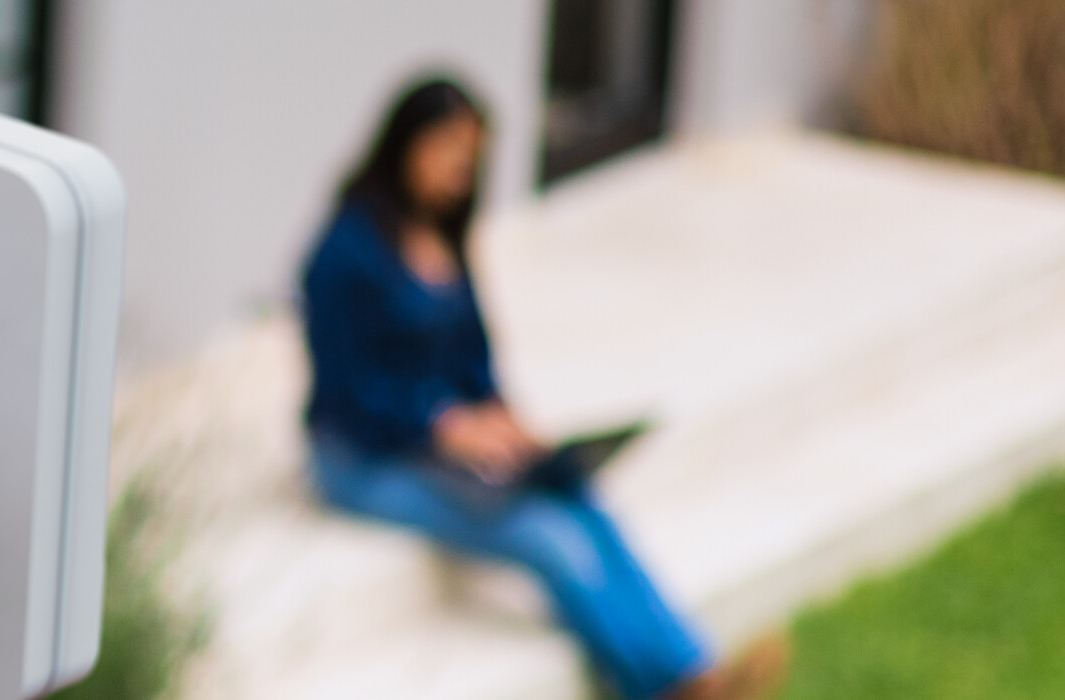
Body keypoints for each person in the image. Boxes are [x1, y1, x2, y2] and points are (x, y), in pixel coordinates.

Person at [297, 77, 790, 700]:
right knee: (546, 539)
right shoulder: (345, 252)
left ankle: (698, 670)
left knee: (580, 498)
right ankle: (666, 690)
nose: (460, 168)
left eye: (471, 156)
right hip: (362, 459)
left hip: (444, 446)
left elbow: (472, 361)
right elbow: (346, 393)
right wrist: (443, 428)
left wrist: (503, 421)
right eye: (447, 148)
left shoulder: (445, 239)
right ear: (405, 142)